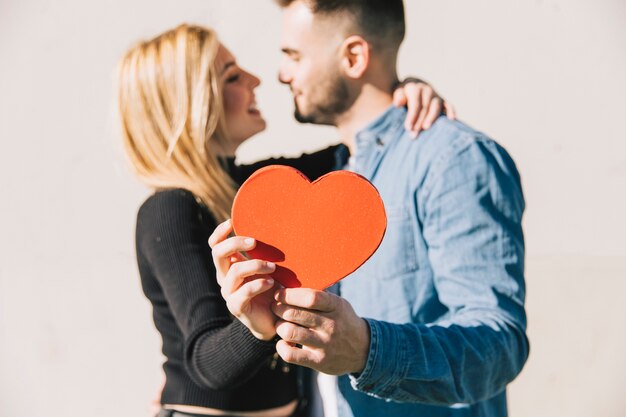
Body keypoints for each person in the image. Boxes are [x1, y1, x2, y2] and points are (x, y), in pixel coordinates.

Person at [209, 1, 529, 417]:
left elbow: (499, 345)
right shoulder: (334, 168)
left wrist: (366, 348)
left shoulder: (452, 160)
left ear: (354, 57)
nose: (282, 74)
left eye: (294, 56)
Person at [117, 23, 451, 417]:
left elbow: (354, 151)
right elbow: (206, 362)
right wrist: (259, 325)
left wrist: (403, 94)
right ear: (190, 102)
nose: (258, 80)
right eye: (233, 76)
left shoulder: (251, 188)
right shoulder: (170, 209)